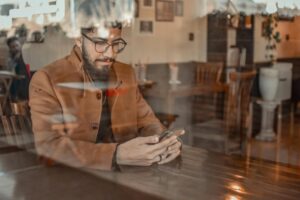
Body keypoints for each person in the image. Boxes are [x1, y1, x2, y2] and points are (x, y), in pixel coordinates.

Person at [29, 23, 183, 171]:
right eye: (100, 42)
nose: (110, 54)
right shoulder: (47, 79)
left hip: (129, 177)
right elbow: (48, 147)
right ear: (78, 38)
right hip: (71, 181)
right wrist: (116, 154)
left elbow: (147, 122)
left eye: (116, 43)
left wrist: (165, 140)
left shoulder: (126, 73)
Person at [6, 36, 31, 101]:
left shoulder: (26, 54)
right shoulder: (11, 57)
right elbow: (10, 69)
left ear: (20, 45)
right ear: (10, 49)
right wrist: (15, 60)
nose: (16, 48)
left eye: (17, 45)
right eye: (13, 47)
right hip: (16, 81)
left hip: (26, 80)